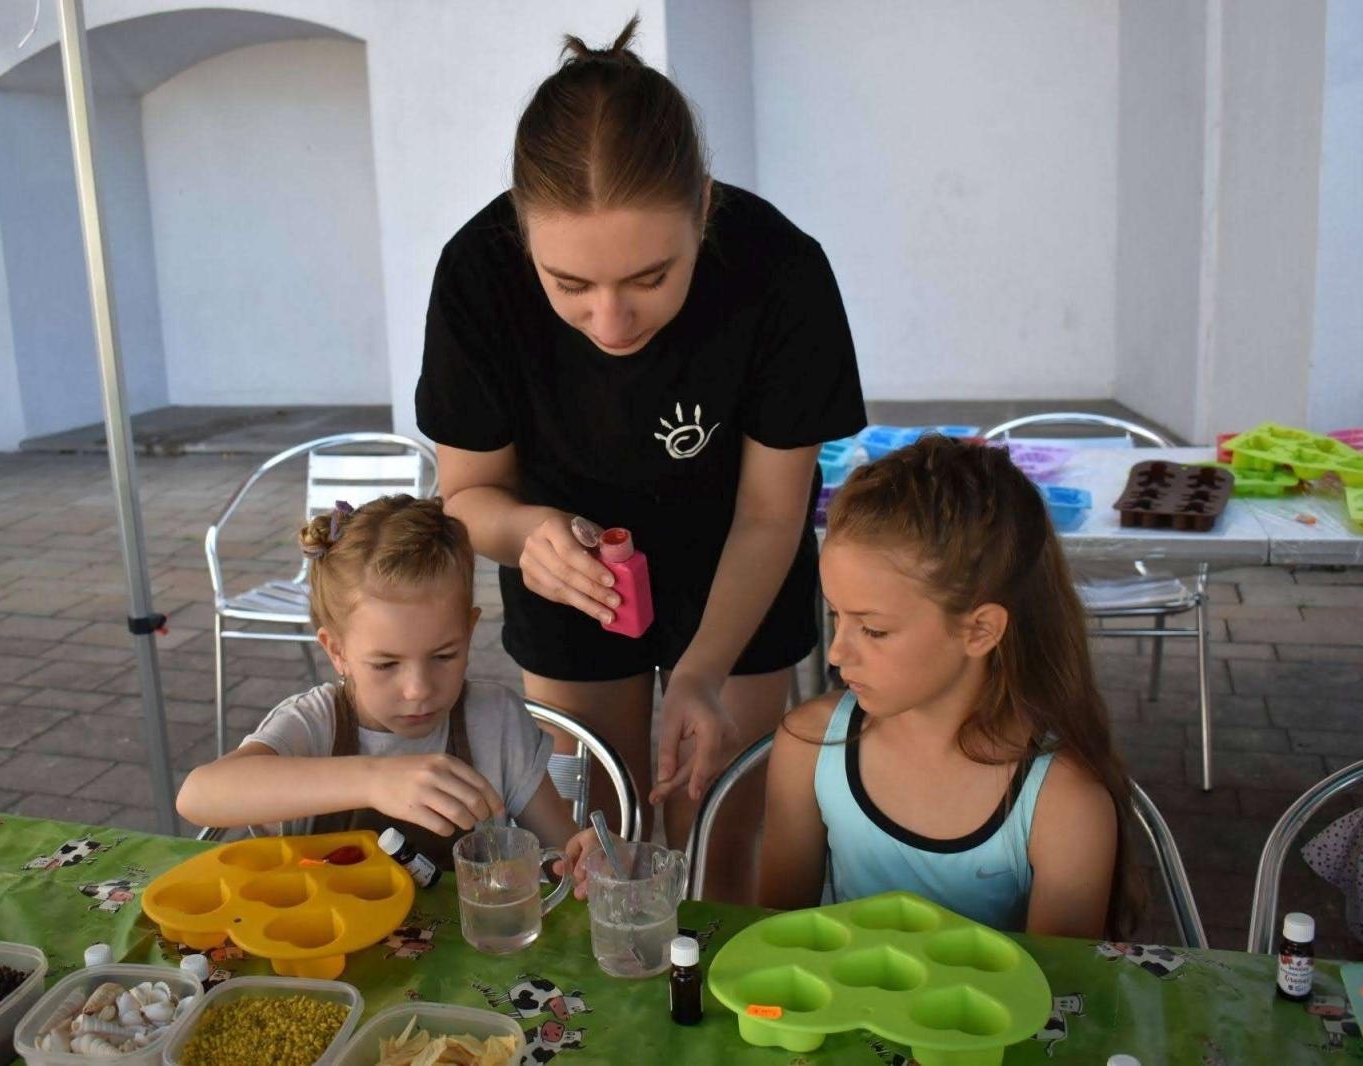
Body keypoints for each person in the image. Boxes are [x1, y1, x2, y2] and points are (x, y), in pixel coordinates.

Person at [416, 17, 865, 900]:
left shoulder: (780, 271)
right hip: (571, 572)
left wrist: (701, 672)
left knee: (722, 823)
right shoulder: (475, 275)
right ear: (521, 230)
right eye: (570, 287)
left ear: (702, 207)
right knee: (594, 836)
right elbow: (467, 497)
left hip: (737, 555)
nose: (612, 324)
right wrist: (529, 532)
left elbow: (774, 510)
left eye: (651, 279)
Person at [758, 436, 1137, 937]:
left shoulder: (1064, 803)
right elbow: (776, 942)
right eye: (835, 616)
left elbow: (1059, 997)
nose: (836, 652)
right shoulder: (809, 746)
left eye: (873, 629)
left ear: (979, 630)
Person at [176, 495, 580, 862]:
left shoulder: (496, 721)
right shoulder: (315, 725)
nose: (418, 689)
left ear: (470, 631)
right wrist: (374, 778)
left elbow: (560, 848)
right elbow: (199, 795)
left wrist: (578, 860)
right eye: (386, 665)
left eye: (444, 655)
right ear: (337, 651)